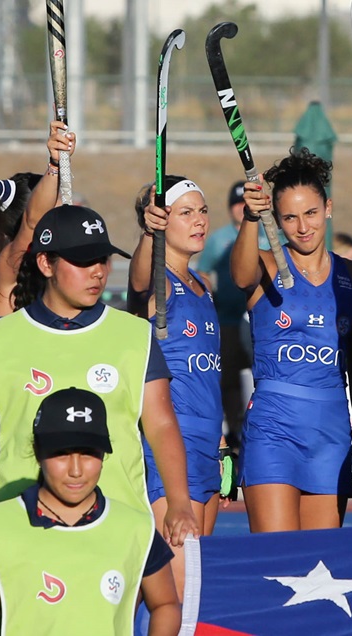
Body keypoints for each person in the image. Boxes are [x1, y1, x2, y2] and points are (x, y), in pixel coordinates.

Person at [0, 205, 200, 545]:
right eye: (83, 261)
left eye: (102, 260)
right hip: (19, 529)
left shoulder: (134, 335)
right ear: (46, 264)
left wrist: (179, 502)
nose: (98, 273)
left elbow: (161, 425)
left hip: (118, 527)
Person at [0, 388, 180, 635]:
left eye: (89, 453)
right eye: (61, 454)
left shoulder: (137, 528)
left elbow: (166, 604)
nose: (76, 470)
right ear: (37, 452)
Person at [232, 148, 352, 533]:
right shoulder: (267, 262)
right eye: (289, 218)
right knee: (277, 560)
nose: (302, 227)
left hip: (331, 432)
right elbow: (242, 277)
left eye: (310, 213)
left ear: (328, 208)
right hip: (274, 429)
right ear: (275, 220)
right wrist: (249, 219)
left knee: (319, 565)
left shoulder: (351, 275)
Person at [128, 177, 225, 601]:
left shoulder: (202, 285)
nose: (199, 221)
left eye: (201, 210)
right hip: (170, 444)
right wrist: (150, 234)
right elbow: (139, 281)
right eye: (185, 213)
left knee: (197, 589)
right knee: (175, 593)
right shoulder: (160, 281)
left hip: (206, 448)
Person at [0, 121, 72, 356]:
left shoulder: (49, 268)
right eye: (52, 208)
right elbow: (33, 223)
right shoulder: (5, 269)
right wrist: (55, 165)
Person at [196, 181, 264, 450]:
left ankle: (257, 424)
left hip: (261, 318)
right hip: (227, 318)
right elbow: (204, 271)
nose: (240, 209)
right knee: (229, 377)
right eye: (236, 205)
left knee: (262, 374)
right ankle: (235, 427)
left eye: (244, 205)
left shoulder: (267, 235)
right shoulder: (218, 239)